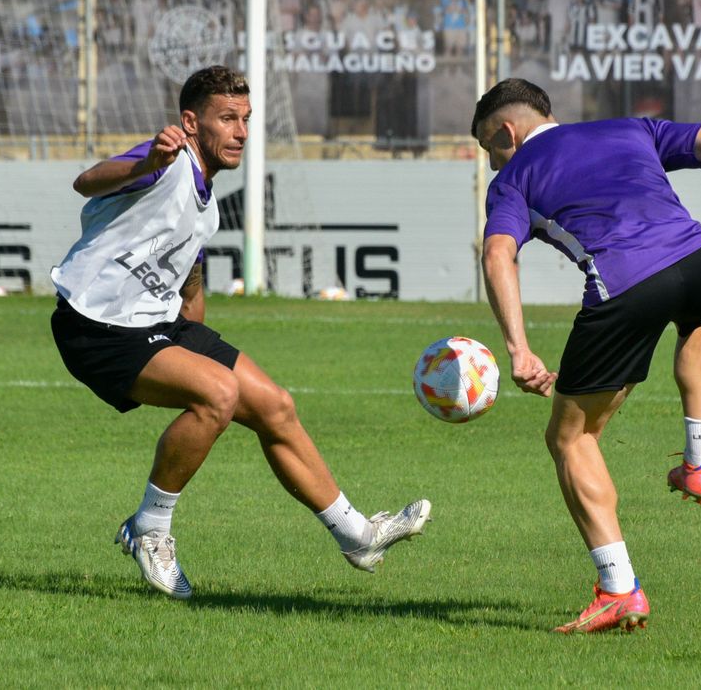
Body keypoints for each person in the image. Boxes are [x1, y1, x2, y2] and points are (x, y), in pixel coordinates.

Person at [471, 78, 701, 634]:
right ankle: (700, 464)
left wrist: (519, 349)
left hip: (624, 284)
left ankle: (617, 589)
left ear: (508, 130)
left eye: (490, 147)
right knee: (696, 317)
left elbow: (499, 252)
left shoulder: (513, 179)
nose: (494, 161)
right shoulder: (629, 128)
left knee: (570, 438)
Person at [49, 65, 431, 600]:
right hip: (97, 326)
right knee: (219, 394)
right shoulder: (166, 160)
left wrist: (190, 350)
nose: (242, 131)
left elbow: (189, 285)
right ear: (190, 121)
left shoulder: (205, 203)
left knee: (274, 404)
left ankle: (357, 536)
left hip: (158, 324)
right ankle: (150, 530)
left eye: (246, 119)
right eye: (227, 118)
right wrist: (150, 159)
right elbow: (86, 181)